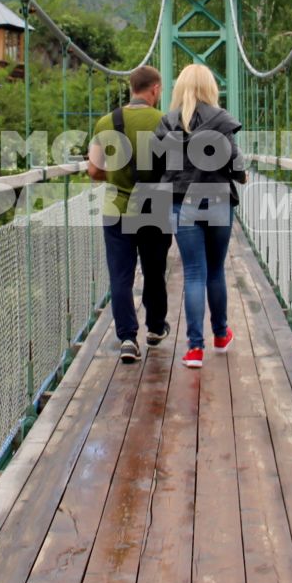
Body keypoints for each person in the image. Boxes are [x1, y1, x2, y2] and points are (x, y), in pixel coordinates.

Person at [154, 63, 243, 369]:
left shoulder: (167, 122)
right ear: (210, 87)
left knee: (194, 273)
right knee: (216, 271)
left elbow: (157, 166)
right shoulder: (222, 121)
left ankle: (195, 349)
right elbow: (238, 167)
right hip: (218, 199)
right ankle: (220, 334)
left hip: (182, 201)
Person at [87, 65, 170, 363]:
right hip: (155, 208)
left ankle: (126, 338)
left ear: (131, 88)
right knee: (154, 270)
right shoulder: (165, 122)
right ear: (155, 89)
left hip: (116, 209)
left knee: (120, 275)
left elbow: (94, 170)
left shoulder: (106, 122)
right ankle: (156, 328)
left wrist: (115, 178)